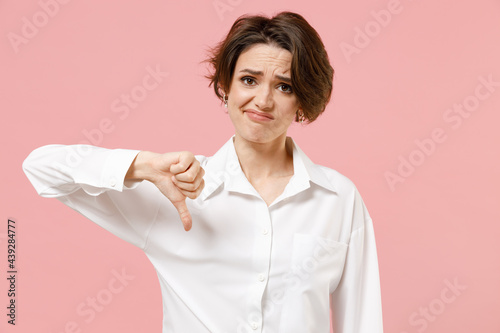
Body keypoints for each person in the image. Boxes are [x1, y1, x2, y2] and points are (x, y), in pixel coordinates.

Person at [22, 11, 383, 333]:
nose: (263, 100)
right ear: (224, 88)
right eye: (249, 80)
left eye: (284, 86)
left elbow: (362, 322)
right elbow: (41, 167)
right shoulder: (174, 187)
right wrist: (143, 166)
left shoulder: (338, 199)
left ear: (302, 100)